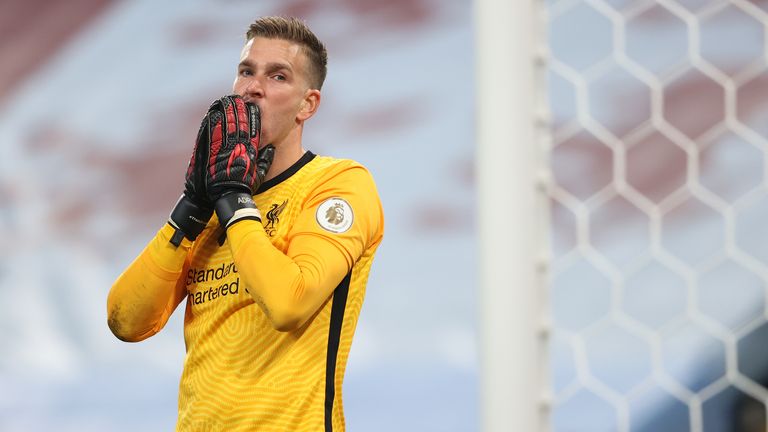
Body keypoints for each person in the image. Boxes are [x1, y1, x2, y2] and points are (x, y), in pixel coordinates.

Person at [107, 16, 384, 432]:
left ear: (307, 105)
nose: (253, 86)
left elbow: (289, 303)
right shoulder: (215, 201)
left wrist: (235, 204)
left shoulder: (337, 184)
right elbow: (125, 321)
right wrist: (193, 205)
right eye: (246, 71)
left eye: (277, 76)